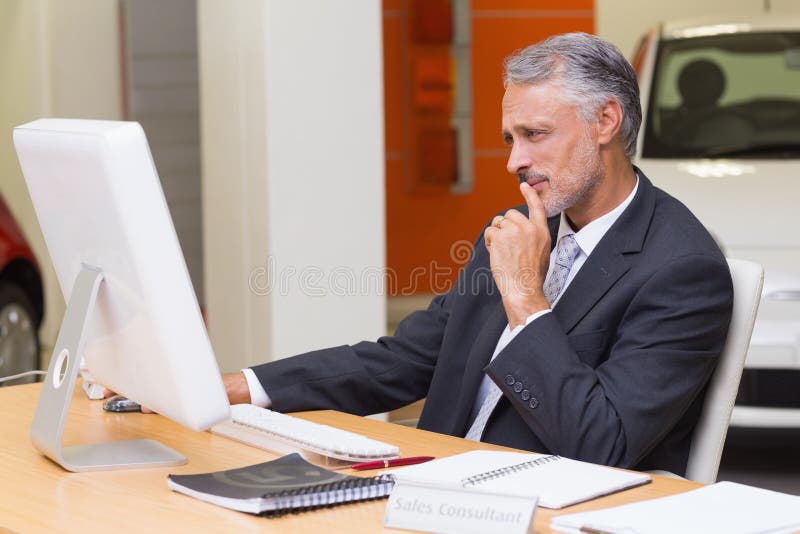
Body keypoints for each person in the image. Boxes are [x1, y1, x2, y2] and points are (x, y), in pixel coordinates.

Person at [223, 32, 733, 476]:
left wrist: (525, 298)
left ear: (605, 121)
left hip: (543, 505)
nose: (515, 160)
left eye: (536, 134)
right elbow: (407, 359)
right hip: (431, 482)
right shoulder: (523, 229)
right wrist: (243, 388)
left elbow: (601, 442)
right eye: (511, 138)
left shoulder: (683, 269)